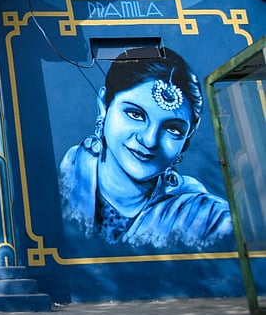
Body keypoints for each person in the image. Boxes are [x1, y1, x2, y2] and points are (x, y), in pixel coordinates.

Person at [59, 47, 232, 248]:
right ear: (103, 106)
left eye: (173, 129)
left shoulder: (209, 219)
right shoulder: (63, 179)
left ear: (188, 136)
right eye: (135, 115)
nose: (150, 140)